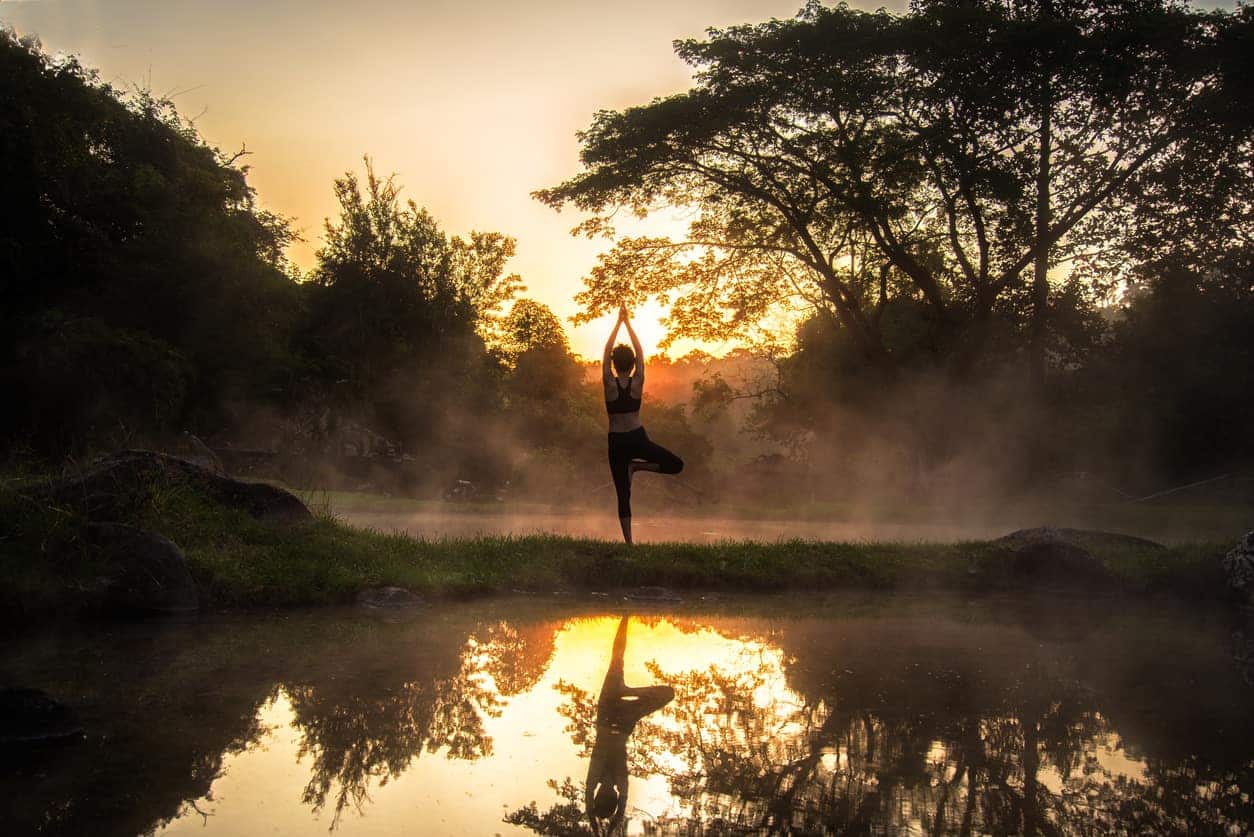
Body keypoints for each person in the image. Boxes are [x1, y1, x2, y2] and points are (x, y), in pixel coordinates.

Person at [585, 616, 674, 835]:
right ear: (603, 795)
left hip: (617, 718)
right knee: (665, 691)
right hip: (615, 717)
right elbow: (590, 801)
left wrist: (607, 826)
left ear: (612, 796)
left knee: (619, 660)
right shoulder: (601, 778)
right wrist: (598, 826)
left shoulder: (616, 780)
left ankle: (625, 616)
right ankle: (625, 616)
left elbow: (617, 805)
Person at [603, 305, 683, 544]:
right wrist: (627, 323)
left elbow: (607, 350)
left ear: (613, 363)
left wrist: (618, 323)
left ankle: (635, 468)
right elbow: (640, 351)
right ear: (634, 363)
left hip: (621, 441)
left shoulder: (608, 382)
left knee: (622, 495)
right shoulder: (638, 380)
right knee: (676, 465)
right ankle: (629, 544)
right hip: (634, 439)